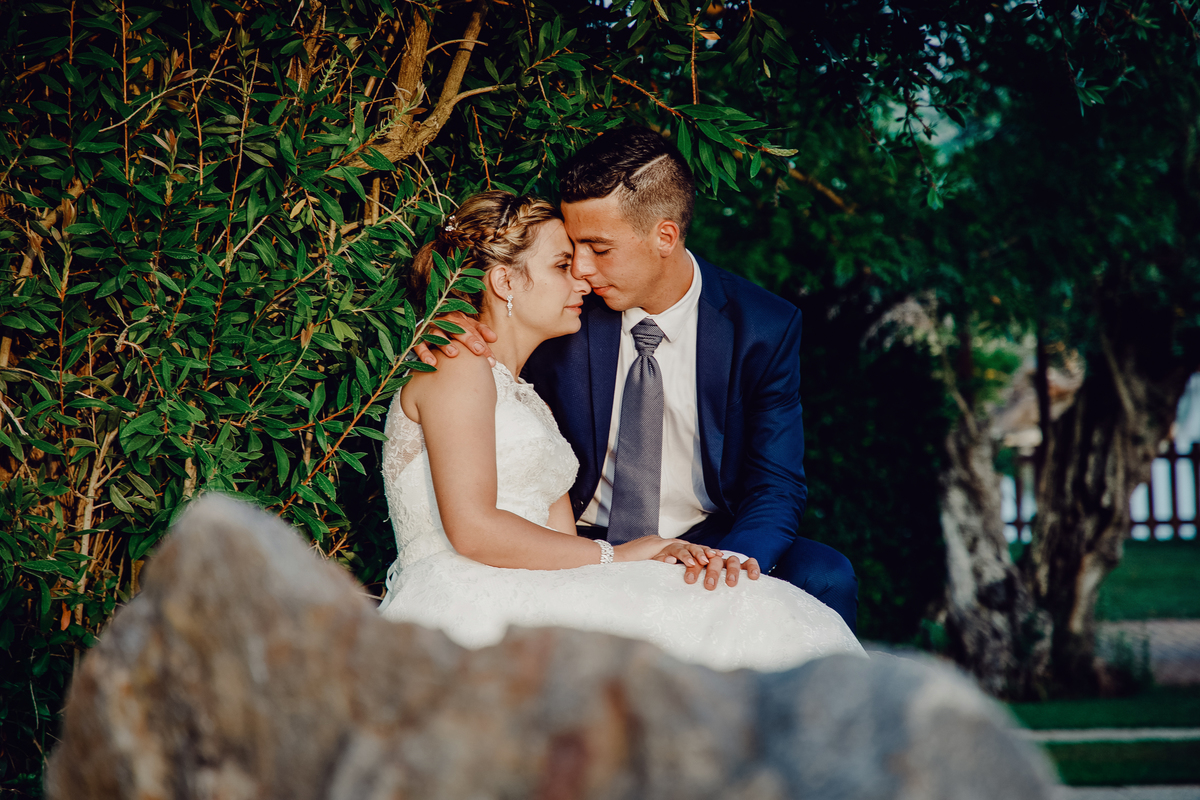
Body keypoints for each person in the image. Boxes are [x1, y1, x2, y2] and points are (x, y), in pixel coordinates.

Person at [379, 190, 864, 671]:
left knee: (764, 608)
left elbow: (775, 484)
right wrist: (617, 557)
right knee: (735, 625)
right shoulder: (457, 363)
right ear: (504, 280)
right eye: (563, 265)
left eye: (587, 257)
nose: (583, 278)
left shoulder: (527, 396)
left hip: (552, 573)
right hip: (472, 587)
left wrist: (648, 563)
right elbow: (474, 529)